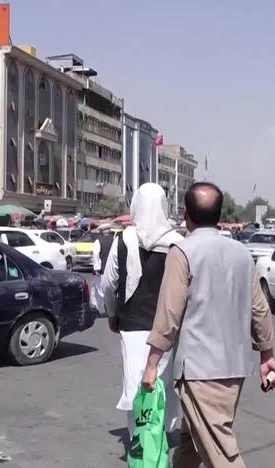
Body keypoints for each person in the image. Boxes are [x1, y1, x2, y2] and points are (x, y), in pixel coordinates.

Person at [140, 182, 275, 468]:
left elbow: (169, 313)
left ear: (186, 215)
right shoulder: (241, 253)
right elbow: (259, 309)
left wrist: (152, 364)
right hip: (234, 368)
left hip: (200, 371)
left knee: (222, 453)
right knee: (193, 439)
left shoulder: (183, 251)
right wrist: (267, 354)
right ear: (218, 215)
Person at [98, 183, 185, 438]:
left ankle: (139, 436)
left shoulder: (123, 239)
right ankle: (161, 434)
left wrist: (112, 314)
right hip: (167, 328)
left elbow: (108, 283)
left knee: (135, 382)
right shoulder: (177, 243)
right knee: (163, 382)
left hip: (132, 325)